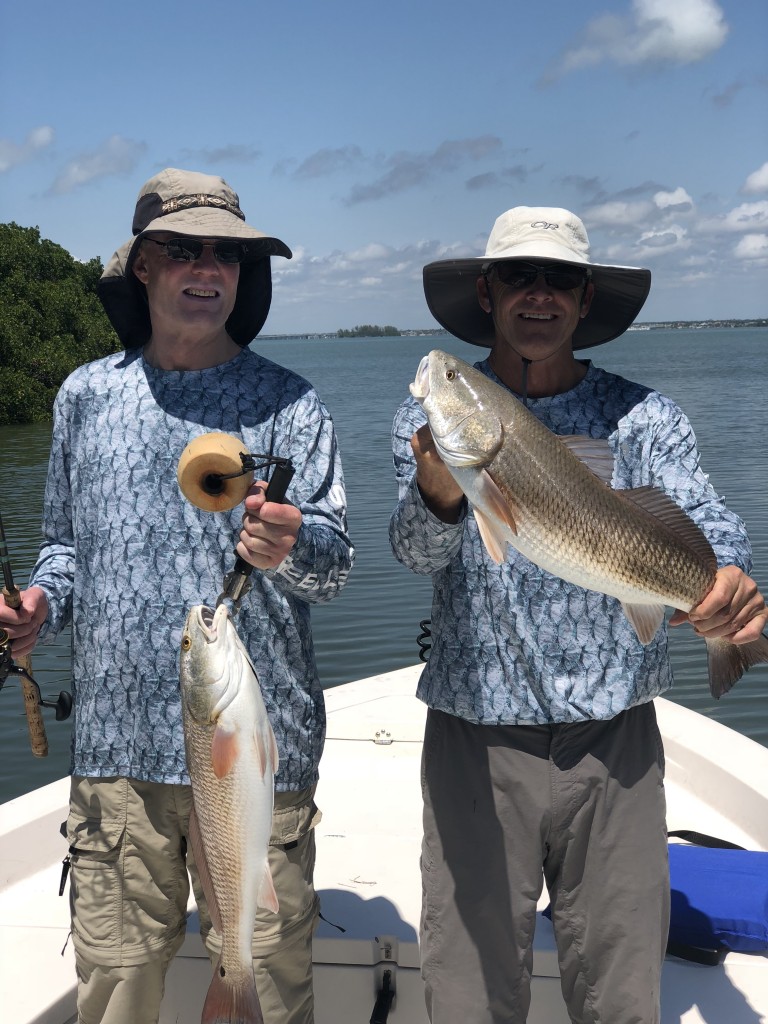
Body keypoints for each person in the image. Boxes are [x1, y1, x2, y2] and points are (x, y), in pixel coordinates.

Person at [389, 206, 768, 1024]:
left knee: (623, 997)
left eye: (558, 277)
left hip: (617, 743)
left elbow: (706, 514)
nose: (539, 294)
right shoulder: (429, 429)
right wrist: (437, 495)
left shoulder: (645, 417)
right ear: (486, 291)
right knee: (469, 999)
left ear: (585, 296)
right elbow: (416, 555)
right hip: (475, 736)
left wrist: (728, 580)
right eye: (519, 276)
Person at [0, 168, 354, 1024]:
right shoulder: (84, 395)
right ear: (142, 269)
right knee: (118, 988)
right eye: (181, 250)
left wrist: (290, 540)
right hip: (119, 751)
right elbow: (64, 546)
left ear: (244, 274)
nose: (206, 269)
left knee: (264, 982)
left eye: (226, 255)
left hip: (254, 752)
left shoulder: (291, 403)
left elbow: (335, 566)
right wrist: (41, 604)